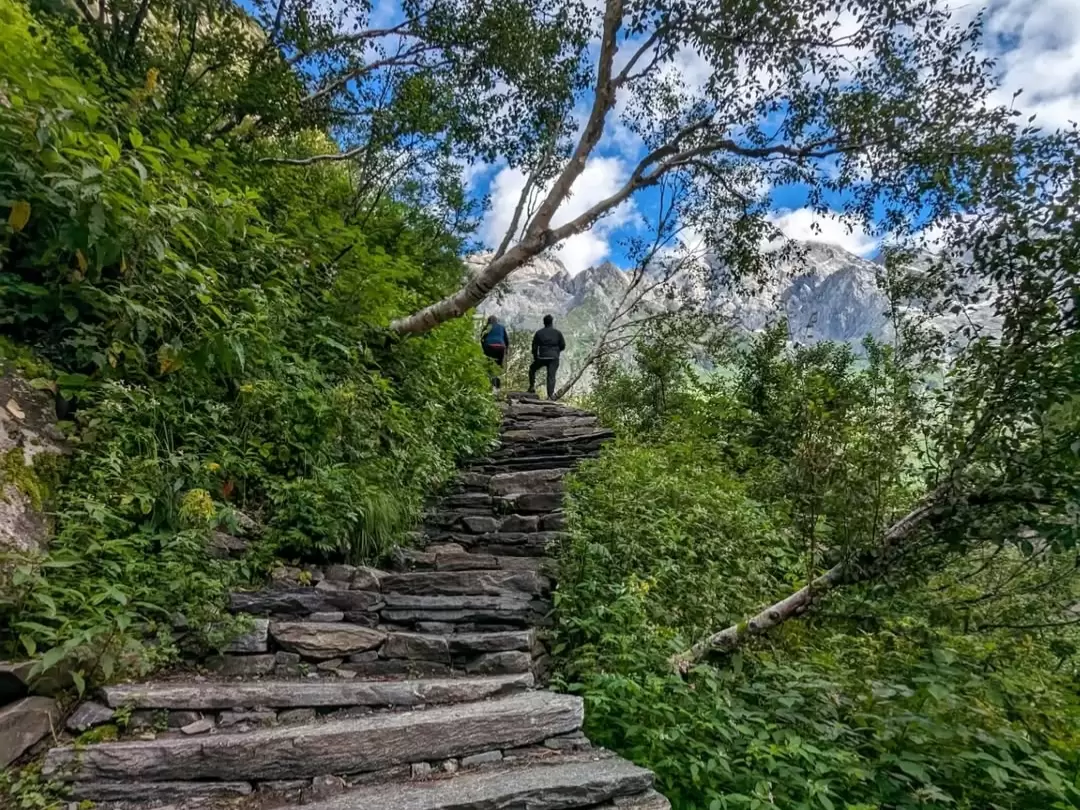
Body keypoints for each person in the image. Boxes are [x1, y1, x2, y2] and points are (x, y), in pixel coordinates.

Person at [528, 314, 566, 399]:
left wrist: (536, 357)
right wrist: (556, 352)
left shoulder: (539, 333)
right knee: (551, 376)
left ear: (544, 322)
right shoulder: (558, 333)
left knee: (532, 369)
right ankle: (550, 396)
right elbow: (563, 345)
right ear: (552, 322)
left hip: (542, 357)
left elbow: (534, 347)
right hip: (554, 358)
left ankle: (532, 387)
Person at [480, 315, 508, 390]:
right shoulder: (502, 327)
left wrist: (484, 350)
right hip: (501, 348)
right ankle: (497, 387)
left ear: (488, 321)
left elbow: (482, 339)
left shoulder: (487, 327)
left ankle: (490, 386)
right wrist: (506, 351)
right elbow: (506, 340)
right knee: (498, 366)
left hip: (489, 347)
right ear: (497, 321)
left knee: (489, 365)